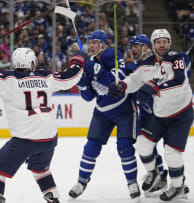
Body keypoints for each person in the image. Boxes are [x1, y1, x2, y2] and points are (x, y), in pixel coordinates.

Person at [0, 42, 83, 203]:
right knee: (40, 170)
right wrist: (78, 62)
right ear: (31, 63)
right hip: (49, 138)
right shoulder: (46, 76)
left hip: (25, 139)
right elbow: (68, 78)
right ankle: (53, 197)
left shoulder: (9, 80)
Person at [109, 29, 193, 201]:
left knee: (171, 153)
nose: (162, 45)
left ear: (169, 43)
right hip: (160, 114)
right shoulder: (147, 64)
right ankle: (154, 173)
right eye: (158, 41)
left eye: (165, 41)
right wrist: (122, 87)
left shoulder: (177, 59)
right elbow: (134, 80)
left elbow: (179, 81)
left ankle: (178, 187)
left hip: (180, 114)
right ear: (153, 45)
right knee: (142, 144)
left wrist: (154, 87)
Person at [68, 30, 141, 202]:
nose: (91, 45)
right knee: (90, 148)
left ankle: (132, 183)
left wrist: (94, 69)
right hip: (102, 112)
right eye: (90, 42)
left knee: (125, 149)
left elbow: (117, 81)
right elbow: (89, 97)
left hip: (124, 111)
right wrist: (82, 83)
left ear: (103, 44)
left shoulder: (113, 54)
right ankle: (81, 182)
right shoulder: (90, 62)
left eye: (94, 42)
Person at [127, 34, 168, 196]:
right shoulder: (137, 65)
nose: (134, 49)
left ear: (146, 47)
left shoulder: (155, 62)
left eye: (137, 45)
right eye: (132, 46)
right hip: (145, 112)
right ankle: (157, 174)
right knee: (146, 146)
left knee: (170, 148)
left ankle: (177, 179)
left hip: (161, 112)